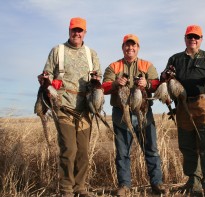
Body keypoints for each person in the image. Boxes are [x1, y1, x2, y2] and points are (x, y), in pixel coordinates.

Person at [163, 25, 205, 197]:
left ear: (201, 39)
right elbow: (165, 76)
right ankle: (194, 181)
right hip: (183, 104)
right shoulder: (175, 59)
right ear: (185, 38)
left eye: (196, 37)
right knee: (187, 146)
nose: (193, 39)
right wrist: (166, 75)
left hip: (204, 103)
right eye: (190, 36)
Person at [37, 17, 101, 197]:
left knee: (83, 152)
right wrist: (45, 81)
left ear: (85, 33)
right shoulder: (58, 51)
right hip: (62, 106)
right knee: (69, 149)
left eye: (80, 31)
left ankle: (79, 188)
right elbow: (46, 74)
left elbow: (98, 77)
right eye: (74, 30)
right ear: (69, 31)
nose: (77, 33)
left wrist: (97, 81)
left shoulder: (92, 54)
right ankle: (66, 189)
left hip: (85, 108)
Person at [102, 34, 169, 196]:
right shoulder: (114, 66)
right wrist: (116, 83)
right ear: (123, 47)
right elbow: (103, 87)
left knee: (151, 150)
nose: (130, 48)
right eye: (127, 45)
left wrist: (148, 84)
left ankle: (156, 183)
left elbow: (157, 84)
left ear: (138, 48)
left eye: (133, 46)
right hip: (121, 115)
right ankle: (124, 186)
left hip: (144, 113)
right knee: (123, 153)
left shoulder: (147, 65)